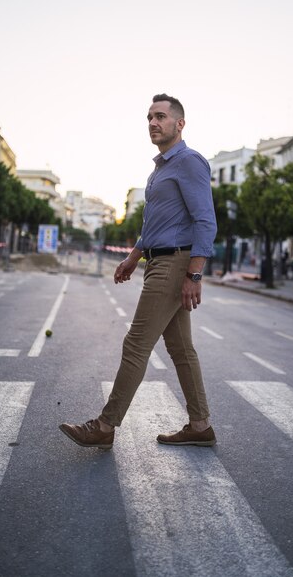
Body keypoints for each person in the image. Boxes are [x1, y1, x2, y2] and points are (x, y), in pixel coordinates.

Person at [59, 93, 217, 450]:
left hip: (175, 264)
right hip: (157, 260)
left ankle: (105, 424)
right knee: (180, 348)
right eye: (149, 117)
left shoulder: (189, 162)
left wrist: (194, 273)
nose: (153, 123)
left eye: (160, 116)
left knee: (136, 344)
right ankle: (200, 424)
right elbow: (156, 224)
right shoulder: (160, 169)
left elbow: (205, 219)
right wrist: (133, 257)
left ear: (180, 123)